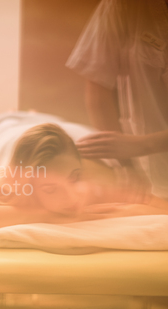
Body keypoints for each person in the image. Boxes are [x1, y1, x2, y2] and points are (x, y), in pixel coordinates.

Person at [0, 123, 168, 239]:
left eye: (75, 179)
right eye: (51, 189)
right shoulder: (11, 185)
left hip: (75, 137)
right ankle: (11, 117)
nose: (71, 197)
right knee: (2, 127)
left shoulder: (98, 180)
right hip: (7, 136)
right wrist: (47, 216)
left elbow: (159, 208)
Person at [66, 0, 168, 200]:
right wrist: (127, 165)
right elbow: (98, 88)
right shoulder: (122, 6)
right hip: (140, 162)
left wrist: (144, 145)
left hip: (137, 147)